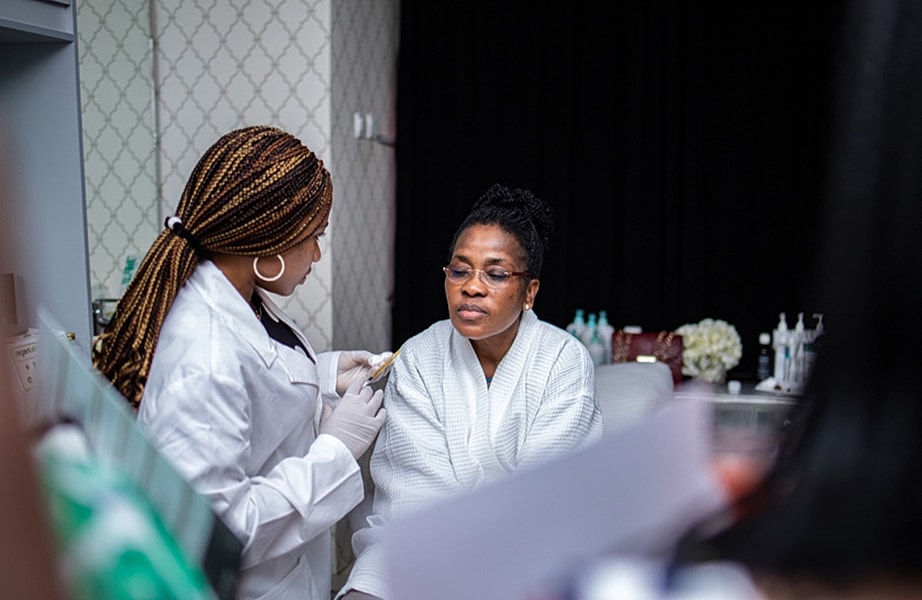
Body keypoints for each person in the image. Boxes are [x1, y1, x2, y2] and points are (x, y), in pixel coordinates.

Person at [92, 125, 389, 600]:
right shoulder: (203, 355)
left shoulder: (236, 292)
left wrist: (322, 373)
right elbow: (215, 533)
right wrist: (334, 452)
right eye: (313, 237)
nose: (317, 253)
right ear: (268, 242)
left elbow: (255, 376)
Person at [337, 183, 604, 599]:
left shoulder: (562, 360)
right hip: (425, 543)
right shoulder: (420, 356)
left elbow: (541, 497)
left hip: (533, 549)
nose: (472, 287)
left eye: (495, 274)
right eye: (460, 271)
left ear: (530, 292)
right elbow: (412, 499)